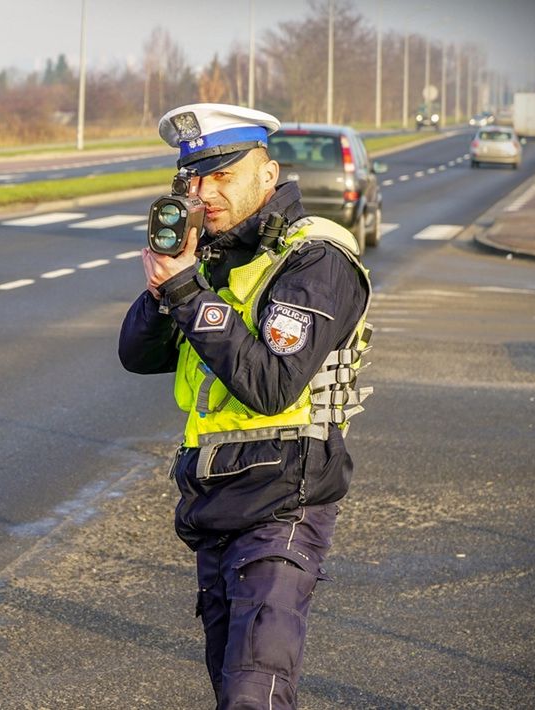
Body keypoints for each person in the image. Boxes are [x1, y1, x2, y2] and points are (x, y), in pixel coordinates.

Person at [118, 103, 373, 708]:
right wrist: (164, 287)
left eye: (222, 176)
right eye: (192, 180)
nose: (204, 193)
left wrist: (186, 290)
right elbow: (136, 355)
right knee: (231, 688)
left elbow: (272, 384)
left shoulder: (316, 259)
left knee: (252, 695)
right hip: (212, 504)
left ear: (268, 173)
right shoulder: (209, 255)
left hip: (284, 502)